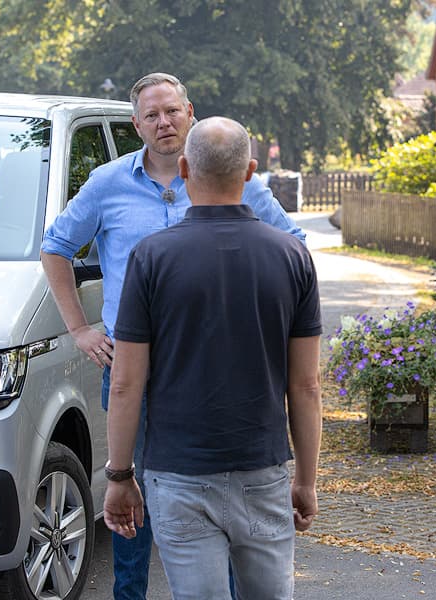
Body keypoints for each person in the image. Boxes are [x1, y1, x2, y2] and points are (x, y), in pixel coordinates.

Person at [39, 73, 304, 599]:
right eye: (152, 115)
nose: (164, 122)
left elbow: (292, 245)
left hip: (213, 367)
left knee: (226, 492)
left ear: (190, 113)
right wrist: (80, 328)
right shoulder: (108, 183)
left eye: (172, 111)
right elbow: (56, 247)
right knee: (127, 490)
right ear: (136, 125)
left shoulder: (233, 179)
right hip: (132, 368)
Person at [103, 116, 323, 599]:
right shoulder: (292, 256)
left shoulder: (150, 257)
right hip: (262, 469)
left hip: (177, 474)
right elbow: (306, 385)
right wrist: (306, 480)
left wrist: (120, 475)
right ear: (250, 172)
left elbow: (125, 383)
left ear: (184, 168)